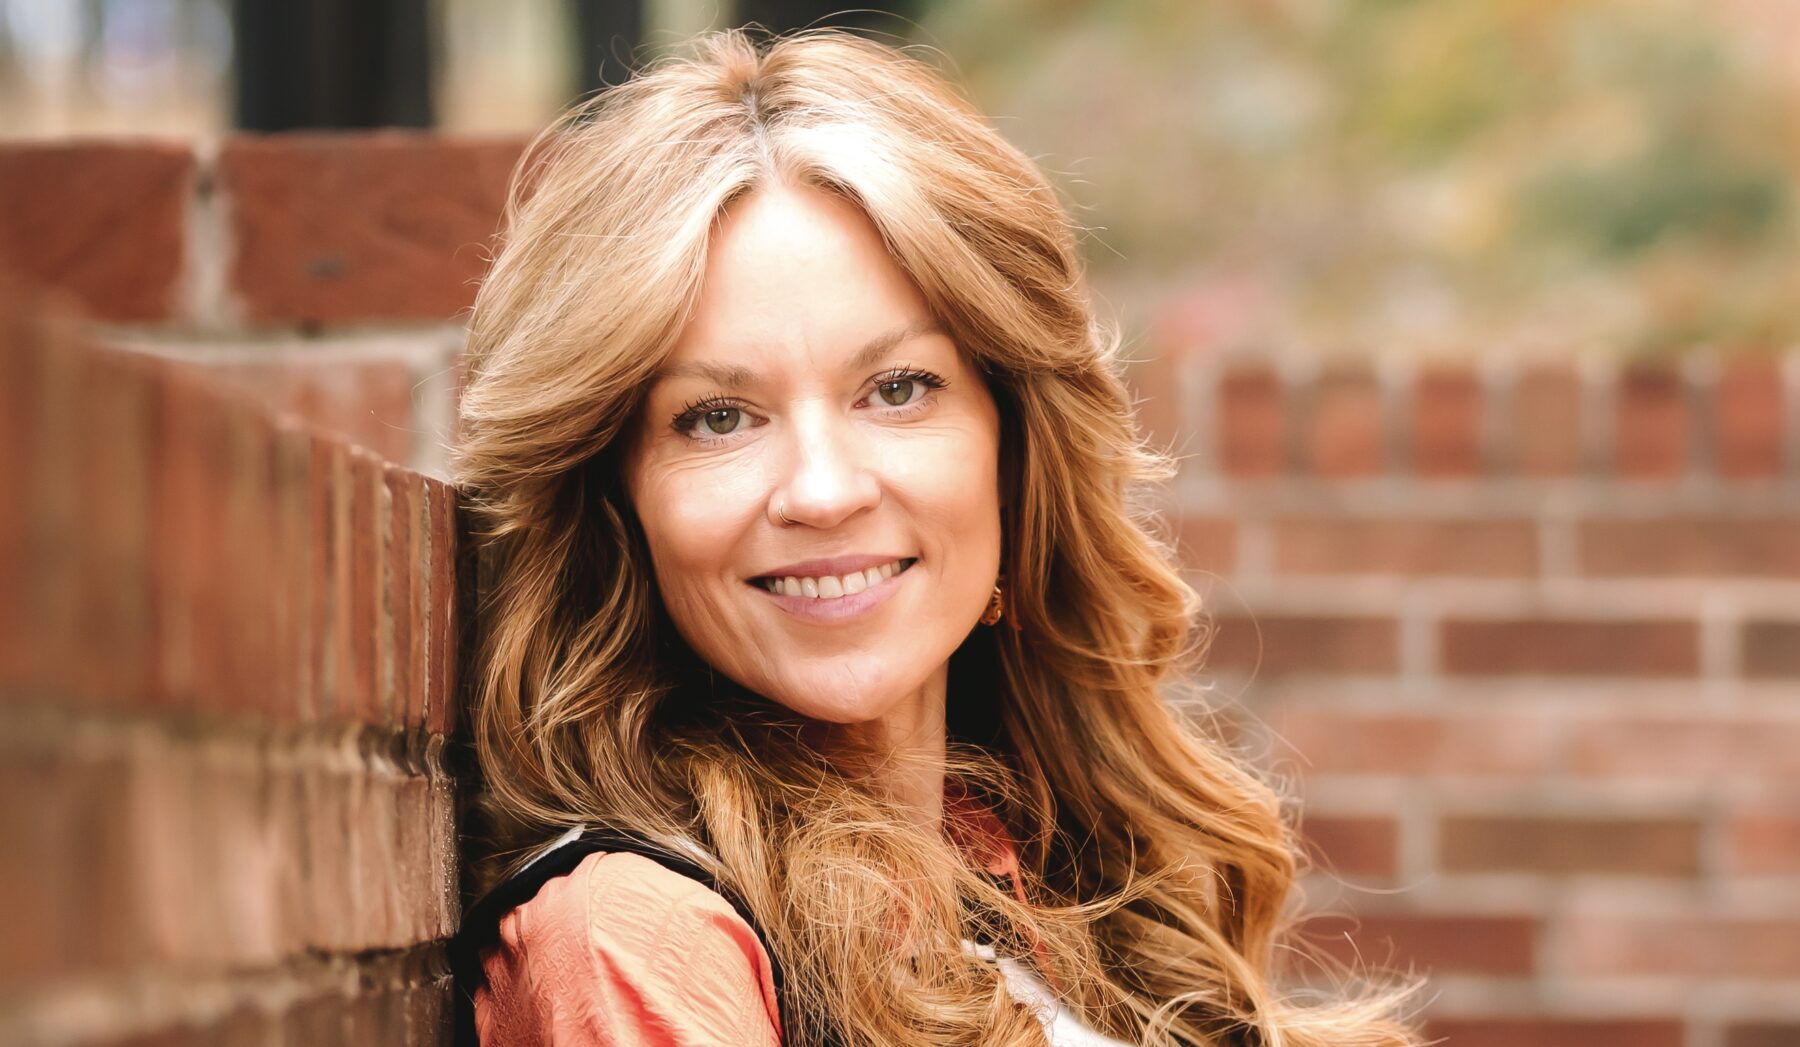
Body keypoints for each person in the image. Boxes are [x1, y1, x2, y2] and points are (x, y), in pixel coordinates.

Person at [450, 28, 1417, 1047]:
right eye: (718, 417)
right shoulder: (642, 936)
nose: (824, 491)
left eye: (898, 388)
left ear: (1013, 448)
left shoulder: (1022, 872)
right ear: (617, 501)